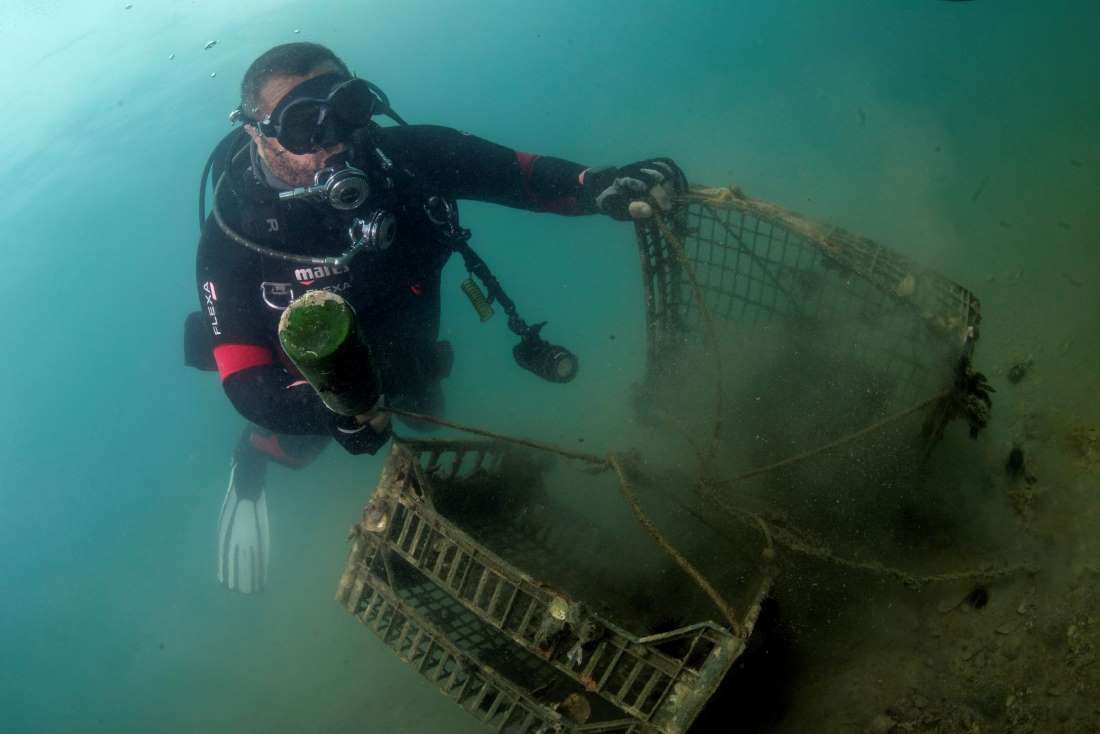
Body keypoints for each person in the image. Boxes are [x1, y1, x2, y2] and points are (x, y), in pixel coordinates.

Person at [194, 42, 685, 593]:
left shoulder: (407, 156)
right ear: (257, 133)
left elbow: (521, 176)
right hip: (317, 381)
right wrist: (332, 412)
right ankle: (256, 458)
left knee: (426, 414)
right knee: (322, 435)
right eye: (304, 124)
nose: (335, 140)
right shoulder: (234, 237)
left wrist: (598, 187)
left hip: (411, 346)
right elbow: (244, 378)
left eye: (349, 109)